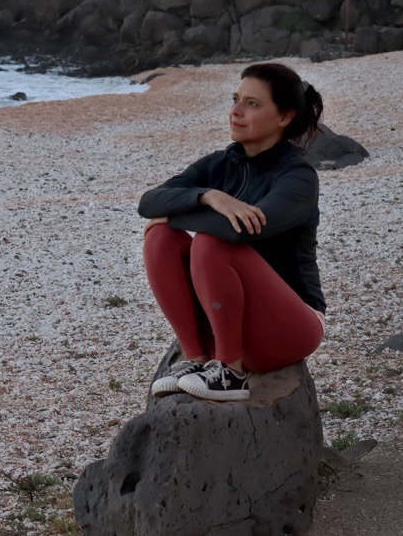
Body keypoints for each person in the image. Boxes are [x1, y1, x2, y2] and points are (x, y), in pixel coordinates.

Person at [138, 62, 326, 402]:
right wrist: (209, 195)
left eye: (252, 104)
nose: (235, 112)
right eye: (235, 99)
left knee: (212, 241)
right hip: (228, 321)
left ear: (284, 117)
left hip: (290, 327)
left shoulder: (297, 177)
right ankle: (196, 359)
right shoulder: (219, 165)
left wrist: (177, 216)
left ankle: (230, 372)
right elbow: (149, 202)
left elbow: (240, 232)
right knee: (159, 238)